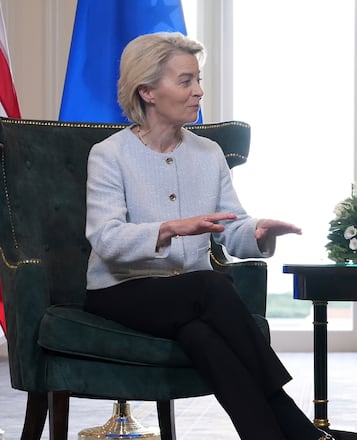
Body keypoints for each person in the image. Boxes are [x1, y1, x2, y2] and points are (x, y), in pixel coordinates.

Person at [83, 32, 333, 440]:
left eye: (198, 80)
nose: (199, 91)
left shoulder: (209, 152)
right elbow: (106, 240)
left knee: (201, 335)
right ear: (147, 90)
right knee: (211, 286)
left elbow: (231, 229)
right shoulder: (110, 155)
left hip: (189, 298)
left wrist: (257, 232)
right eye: (186, 81)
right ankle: (299, 426)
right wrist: (169, 228)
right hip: (120, 291)